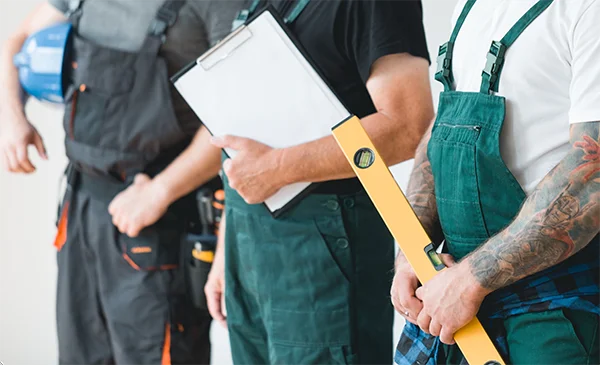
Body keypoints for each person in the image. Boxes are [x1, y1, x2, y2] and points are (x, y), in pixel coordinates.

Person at [0, 0, 244, 364]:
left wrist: (161, 191)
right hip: (81, 216)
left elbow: (239, 120)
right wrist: (12, 116)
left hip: (158, 228)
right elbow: (17, 39)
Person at [202, 0, 434, 364]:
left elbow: (408, 126)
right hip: (248, 249)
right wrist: (226, 252)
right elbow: (249, 133)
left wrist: (276, 168)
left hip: (322, 254)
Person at [391, 0, 600, 364]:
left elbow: (591, 173)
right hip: (453, 302)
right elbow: (441, 130)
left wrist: (470, 279)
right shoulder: (470, 8)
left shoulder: (586, 10)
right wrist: (413, 253)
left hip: (551, 311)